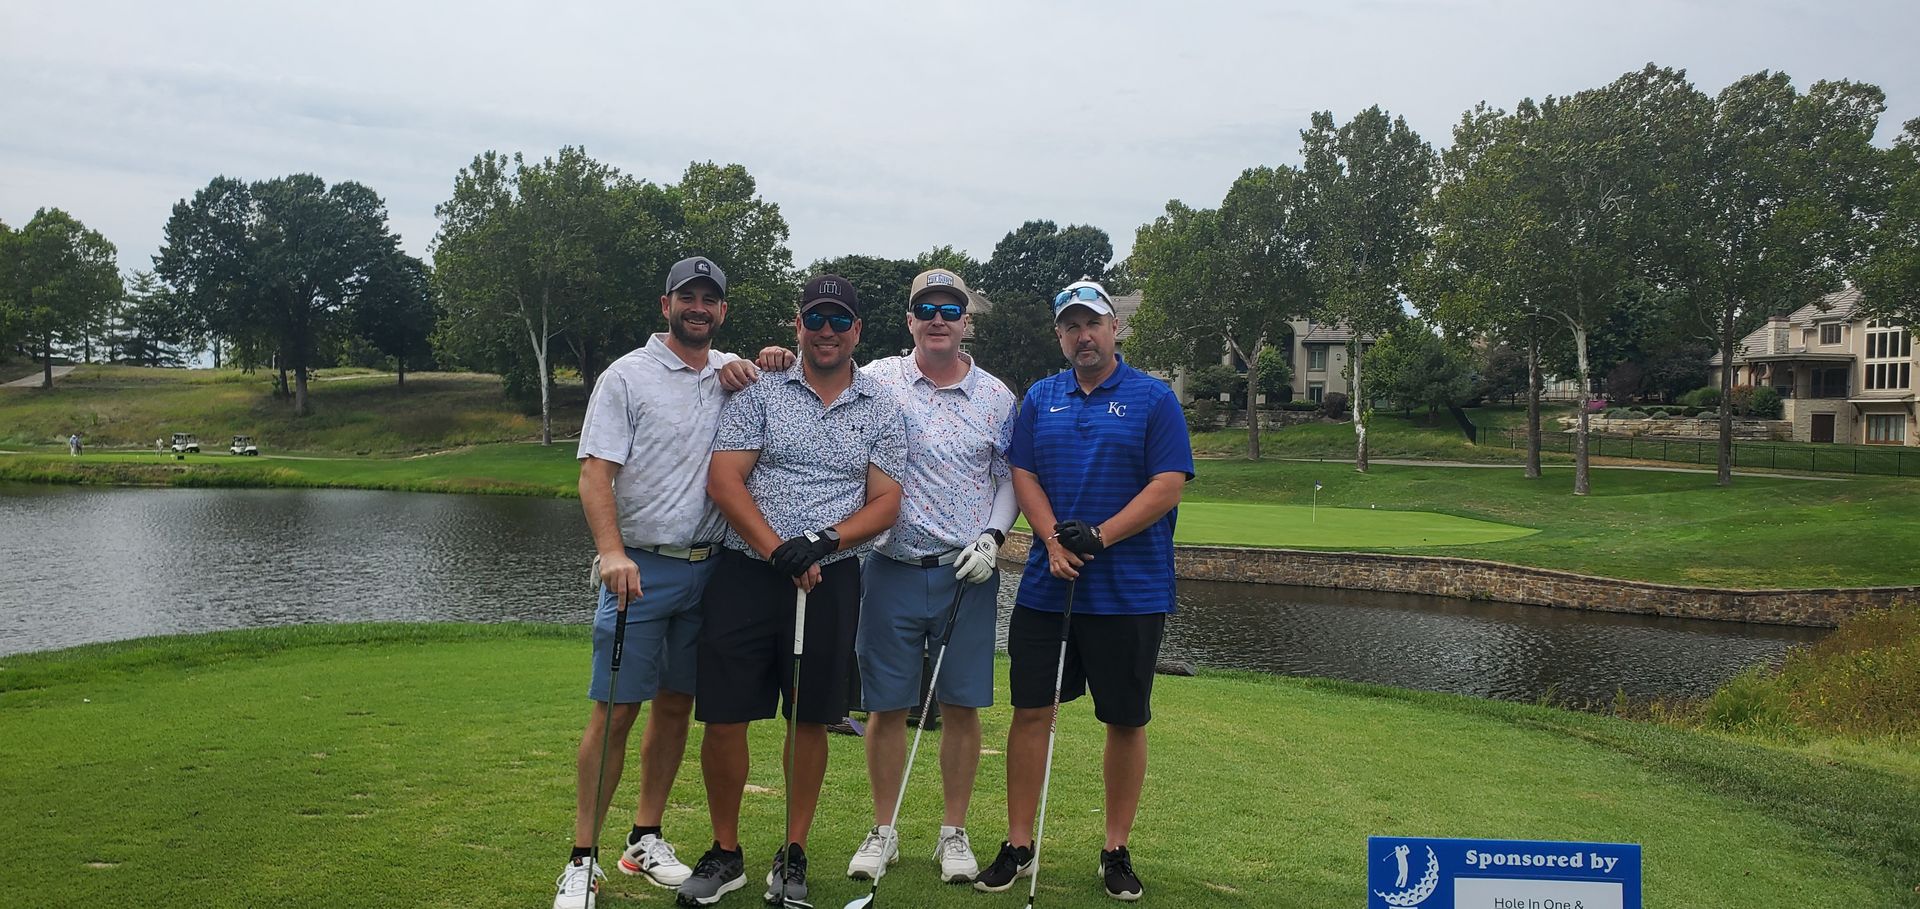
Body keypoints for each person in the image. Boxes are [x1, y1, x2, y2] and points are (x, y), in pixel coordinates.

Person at [757, 268, 1018, 885]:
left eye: (949, 309)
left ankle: (953, 833)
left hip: (966, 571)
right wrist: (767, 357)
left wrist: (994, 537)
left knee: (960, 704)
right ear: (909, 320)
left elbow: (1008, 478)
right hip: (888, 566)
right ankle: (885, 827)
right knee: (886, 706)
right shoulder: (875, 379)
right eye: (925, 308)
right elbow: (810, 370)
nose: (937, 318)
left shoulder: (997, 396)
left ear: (964, 321)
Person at [676, 274, 907, 908]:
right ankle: (726, 852)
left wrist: (826, 542)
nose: (826, 332)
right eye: (815, 320)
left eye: (839, 321)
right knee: (724, 715)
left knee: (809, 716)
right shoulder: (761, 391)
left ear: (857, 330)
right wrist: (780, 550)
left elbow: (886, 502)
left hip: (831, 578)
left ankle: (793, 850)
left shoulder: (882, 406)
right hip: (748, 572)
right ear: (797, 325)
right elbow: (726, 482)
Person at [552, 255, 762, 909]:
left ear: (722, 311)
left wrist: (763, 361)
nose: (698, 307)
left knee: (676, 705)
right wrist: (610, 551)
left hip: (710, 569)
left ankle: (645, 836)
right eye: (687, 296)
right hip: (638, 569)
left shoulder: (732, 375)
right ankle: (582, 860)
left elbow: (786, 371)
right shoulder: (627, 377)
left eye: (710, 299)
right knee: (615, 712)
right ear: (665, 304)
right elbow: (595, 472)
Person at [974, 279, 1193, 902]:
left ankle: (1116, 848)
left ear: (1114, 328)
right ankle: (1019, 844)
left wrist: (1097, 536)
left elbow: (1168, 484)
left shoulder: (1153, 398)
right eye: (1071, 326)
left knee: (1124, 719)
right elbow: (1024, 472)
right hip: (1048, 589)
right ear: (1060, 335)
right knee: (1031, 712)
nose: (1083, 335)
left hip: (1131, 591)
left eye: (1092, 323)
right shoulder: (1042, 398)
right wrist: (1052, 539)